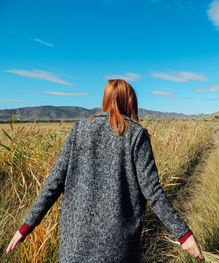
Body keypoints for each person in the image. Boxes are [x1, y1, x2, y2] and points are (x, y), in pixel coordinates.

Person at [6, 79, 204, 262]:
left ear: (105, 99)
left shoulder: (79, 130)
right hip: (117, 248)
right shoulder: (136, 135)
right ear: (130, 102)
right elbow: (153, 191)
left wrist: (26, 227)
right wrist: (183, 234)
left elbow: (53, 183)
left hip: (75, 247)